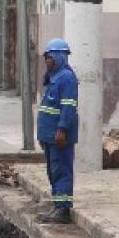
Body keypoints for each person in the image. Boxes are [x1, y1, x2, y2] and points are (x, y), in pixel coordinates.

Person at [36, 37, 78, 224]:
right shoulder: (53, 78)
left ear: (59, 56)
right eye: (46, 58)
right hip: (49, 136)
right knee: (53, 171)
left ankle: (63, 209)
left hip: (59, 136)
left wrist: (62, 130)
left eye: (50, 57)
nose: (47, 61)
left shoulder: (67, 78)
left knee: (61, 170)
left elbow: (68, 107)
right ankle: (57, 205)